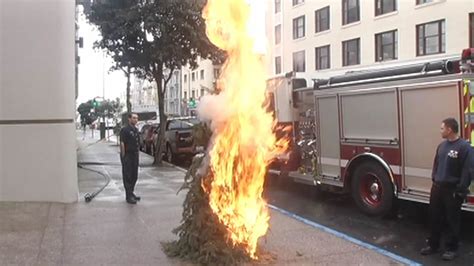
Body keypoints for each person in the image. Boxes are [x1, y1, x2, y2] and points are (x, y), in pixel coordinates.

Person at [420, 118, 473, 261]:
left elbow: (467, 170)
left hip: (452, 190)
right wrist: (434, 178)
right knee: (434, 218)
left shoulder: (464, 147)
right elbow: (436, 164)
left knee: (452, 220)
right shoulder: (442, 146)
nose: (440, 131)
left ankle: (451, 248)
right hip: (437, 188)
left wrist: (461, 189)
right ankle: (433, 245)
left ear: (449, 129)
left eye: (442, 128)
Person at [120, 113, 141, 204]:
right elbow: (122, 144)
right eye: (134, 118)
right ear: (129, 119)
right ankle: (128, 196)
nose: (135, 120)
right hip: (128, 155)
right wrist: (123, 156)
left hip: (135, 155)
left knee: (134, 175)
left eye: (137, 118)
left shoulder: (136, 130)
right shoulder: (125, 130)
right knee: (128, 175)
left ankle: (131, 192)